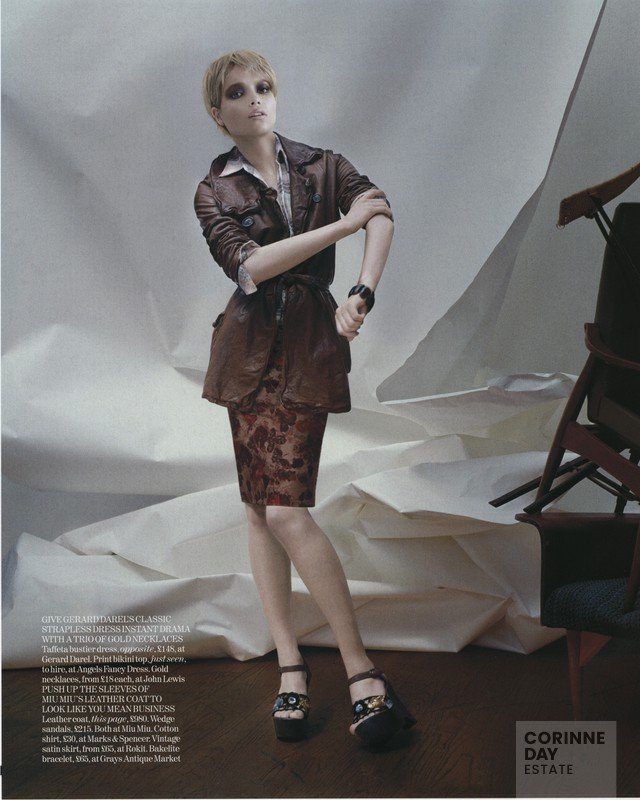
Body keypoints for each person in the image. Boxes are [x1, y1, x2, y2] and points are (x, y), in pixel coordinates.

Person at [195, 50, 415, 747]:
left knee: (286, 510)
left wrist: (362, 291)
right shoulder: (212, 191)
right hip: (245, 356)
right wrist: (341, 229)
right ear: (218, 112)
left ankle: (359, 671)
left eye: (263, 87)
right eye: (237, 92)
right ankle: (291, 666)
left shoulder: (323, 165)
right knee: (261, 511)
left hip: (309, 351)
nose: (254, 99)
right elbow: (252, 266)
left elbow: (379, 212)